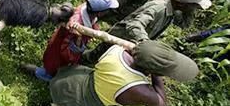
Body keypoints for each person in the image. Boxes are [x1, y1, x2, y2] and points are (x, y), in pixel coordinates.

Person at [83, 0, 212, 64]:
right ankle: (74, 61)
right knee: (94, 57)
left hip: (129, 41)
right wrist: (144, 43)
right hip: (120, 37)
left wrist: (189, 11)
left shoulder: (173, 10)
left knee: (105, 60)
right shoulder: (158, 8)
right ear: (182, 4)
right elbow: (135, 24)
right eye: (193, 6)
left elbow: (184, 25)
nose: (195, 9)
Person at [50, 40, 199, 106]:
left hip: (72, 80)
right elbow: (161, 103)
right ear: (151, 70)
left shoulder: (116, 50)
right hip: (81, 102)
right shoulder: (138, 89)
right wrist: (157, 74)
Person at [23, 0, 119, 81]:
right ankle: (40, 73)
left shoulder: (85, 8)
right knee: (54, 68)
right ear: (100, 13)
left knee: (54, 62)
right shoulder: (75, 27)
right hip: (60, 51)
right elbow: (68, 54)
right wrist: (79, 39)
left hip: (59, 43)